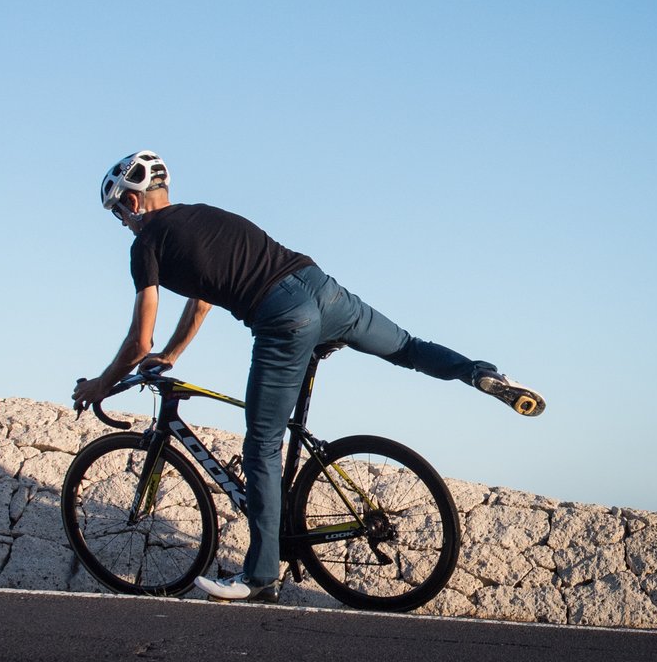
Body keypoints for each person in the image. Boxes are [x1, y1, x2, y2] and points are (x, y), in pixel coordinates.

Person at [72, 150, 545, 604]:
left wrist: (100, 383)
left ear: (132, 202)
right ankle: (480, 373)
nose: (123, 222)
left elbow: (138, 342)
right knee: (408, 348)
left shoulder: (146, 244)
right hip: (323, 289)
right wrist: (173, 354)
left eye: (119, 213)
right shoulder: (206, 214)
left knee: (260, 444)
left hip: (283, 318)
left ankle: (260, 577)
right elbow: (203, 296)